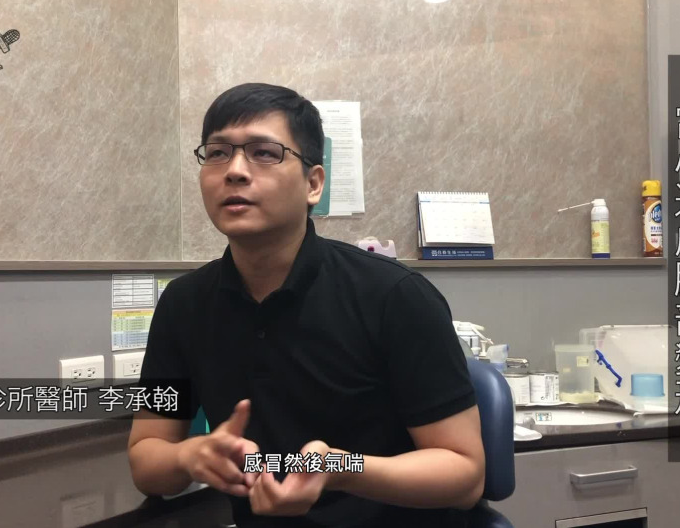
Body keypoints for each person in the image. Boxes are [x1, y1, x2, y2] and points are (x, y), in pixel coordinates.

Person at [127, 83, 485, 527]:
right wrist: (190, 456)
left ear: (313, 183)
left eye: (263, 153)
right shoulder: (184, 304)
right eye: (217, 153)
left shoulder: (394, 296)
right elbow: (147, 459)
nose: (234, 170)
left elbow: (465, 475)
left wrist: (340, 469)